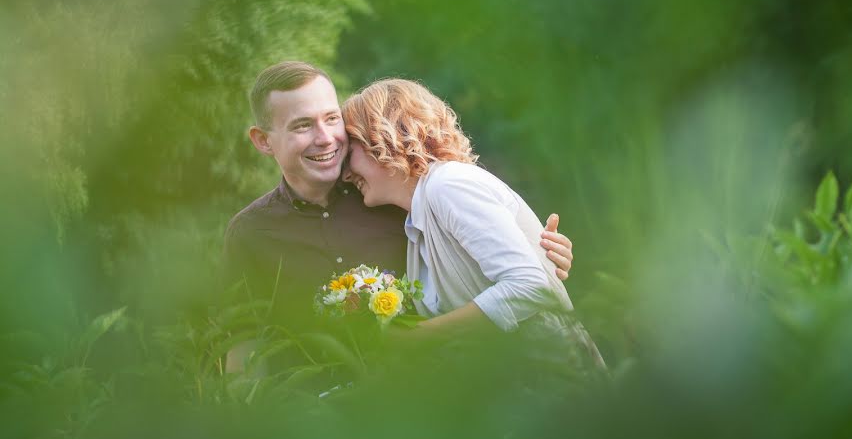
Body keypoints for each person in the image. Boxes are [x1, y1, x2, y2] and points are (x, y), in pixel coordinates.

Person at [224, 62, 576, 372]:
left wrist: (539, 250)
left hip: (438, 404)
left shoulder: (394, 198)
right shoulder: (251, 233)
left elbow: (507, 265)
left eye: (332, 119)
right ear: (263, 141)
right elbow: (242, 339)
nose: (325, 138)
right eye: (302, 125)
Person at [341, 78, 604, 370]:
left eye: (350, 151)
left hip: (555, 378)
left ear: (382, 138)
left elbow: (530, 286)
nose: (345, 175)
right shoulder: (418, 220)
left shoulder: (449, 185)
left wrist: (419, 337)